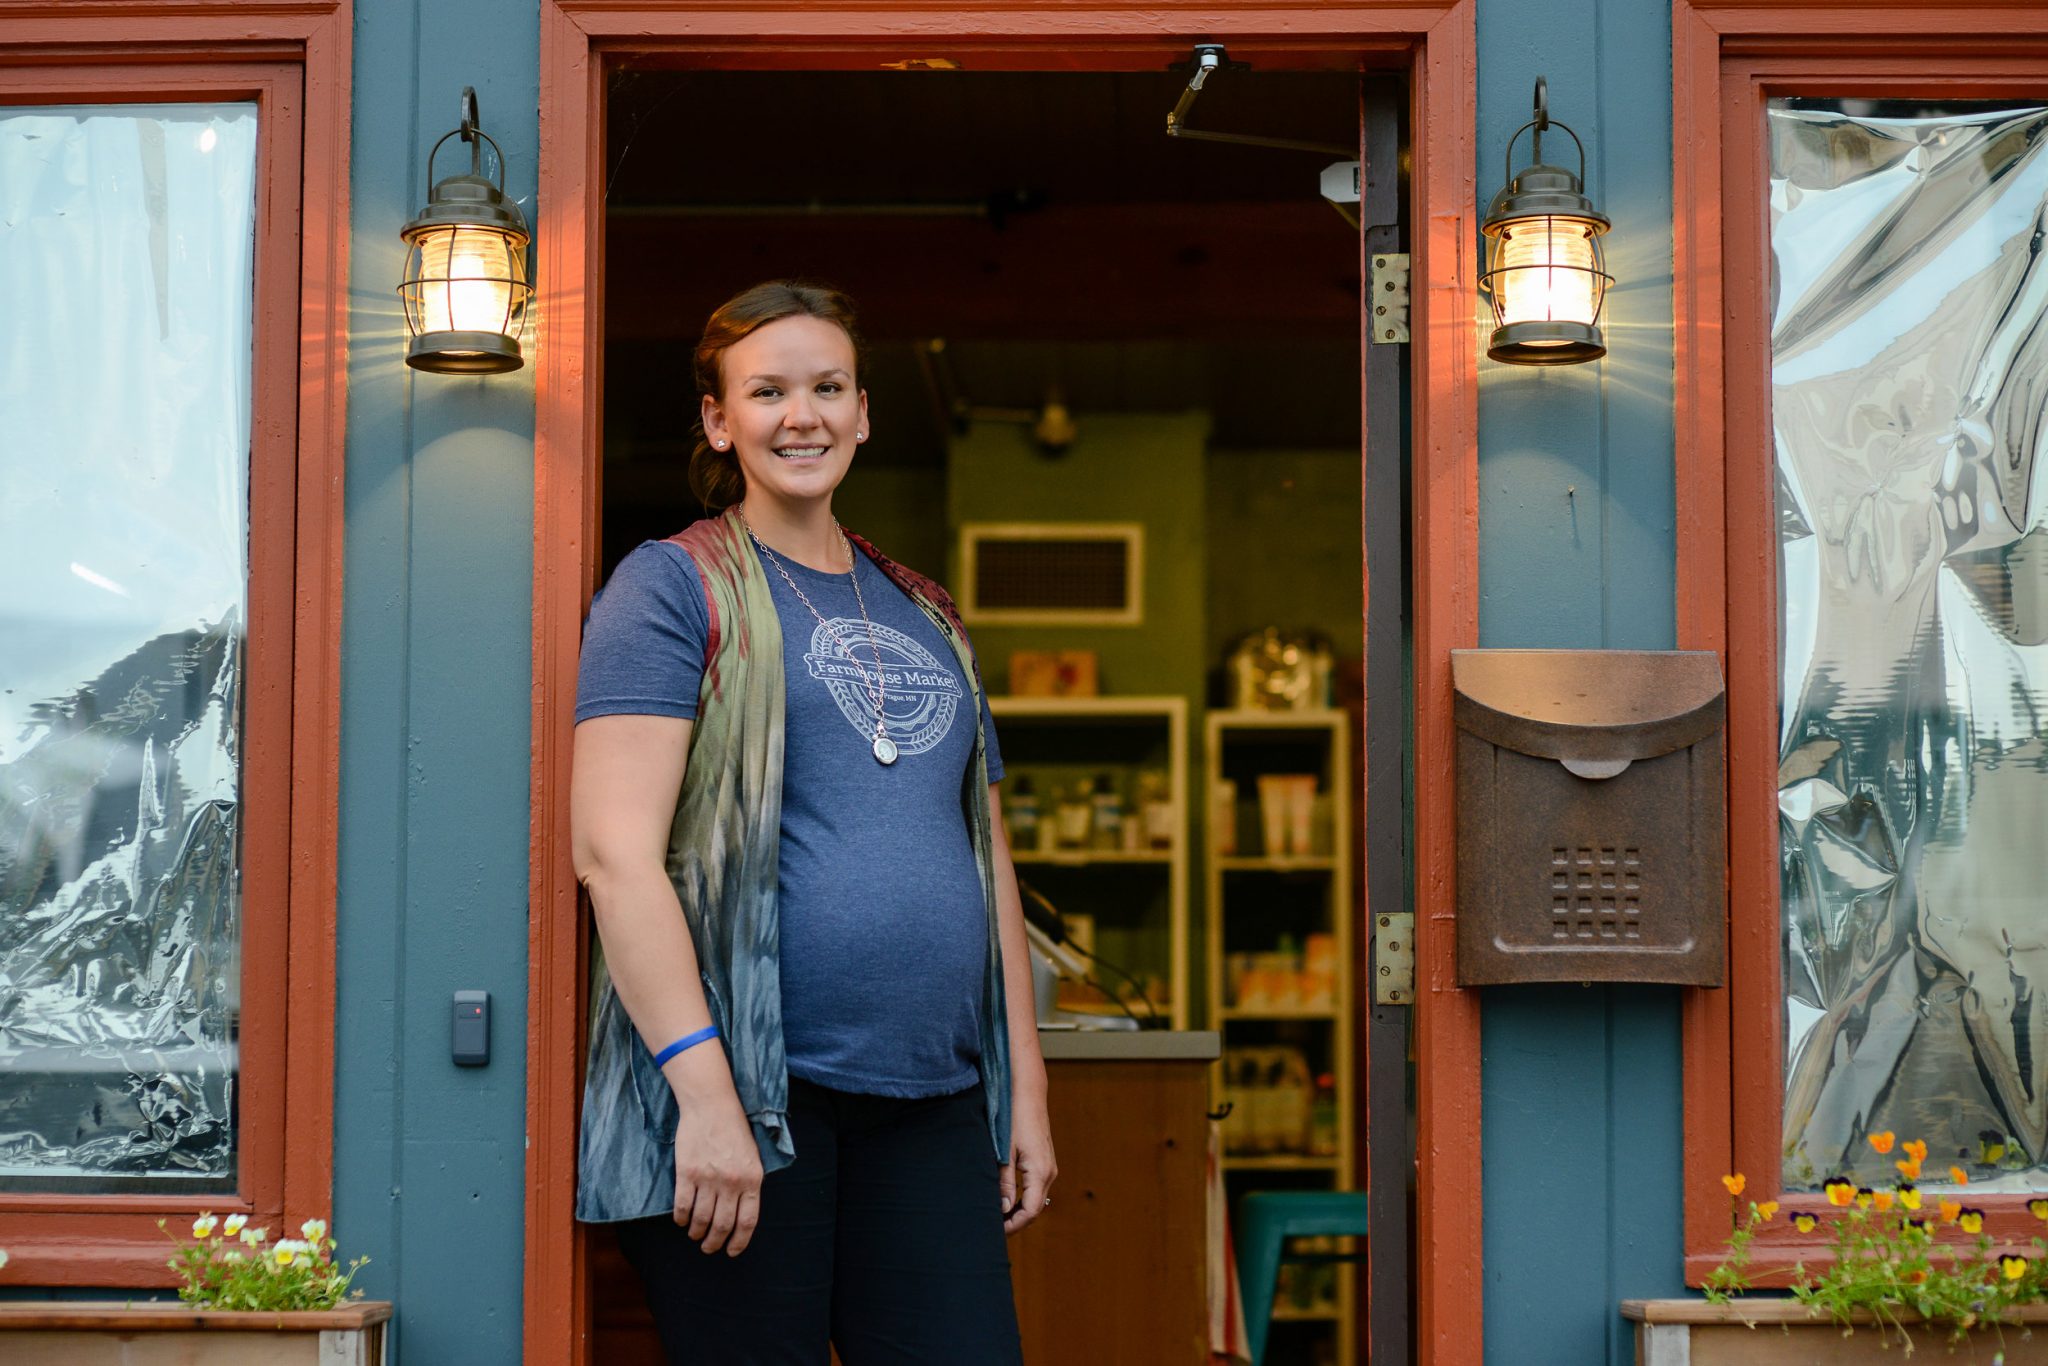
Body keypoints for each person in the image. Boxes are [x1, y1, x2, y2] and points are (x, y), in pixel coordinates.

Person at [569, 279, 1055, 1364]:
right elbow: (613, 856)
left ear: (863, 410)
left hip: (931, 1100)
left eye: (827, 387)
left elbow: (987, 857)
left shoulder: (926, 612)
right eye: (768, 391)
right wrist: (703, 1096)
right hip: (752, 1098)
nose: (803, 416)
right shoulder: (669, 588)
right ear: (718, 419)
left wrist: (1022, 1088)